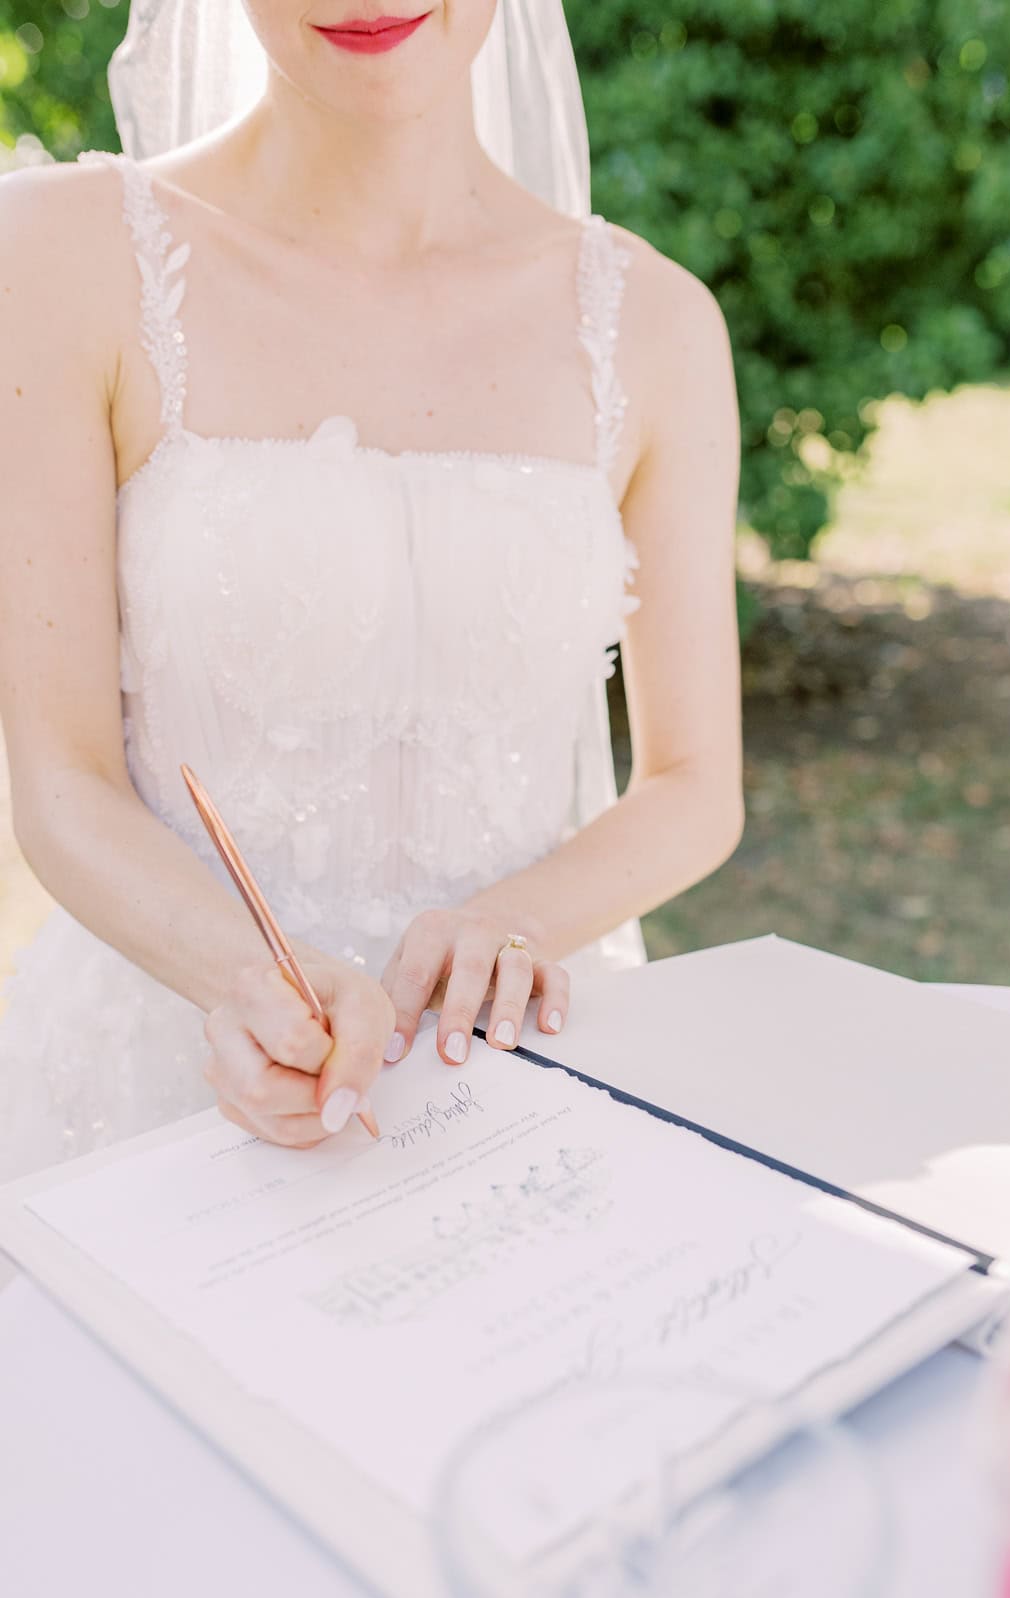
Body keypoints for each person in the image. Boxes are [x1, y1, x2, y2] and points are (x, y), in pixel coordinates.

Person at [0, 0, 743, 1178]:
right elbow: (60, 780)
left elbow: (697, 787)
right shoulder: (56, 258)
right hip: (155, 1077)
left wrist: (517, 921)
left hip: (508, 1076)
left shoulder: (657, 325)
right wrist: (246, 981)